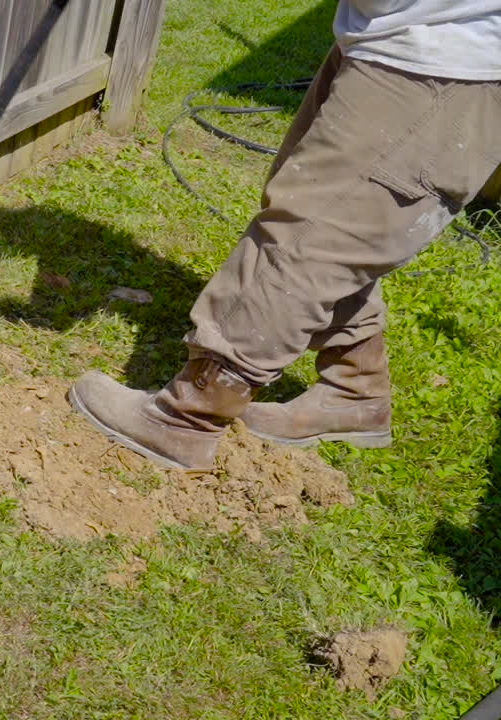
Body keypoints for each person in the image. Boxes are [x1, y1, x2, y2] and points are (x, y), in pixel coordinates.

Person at [70, 0, 501, 470]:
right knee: (336, 217)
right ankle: (353, 388)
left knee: (312, 234)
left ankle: (187, 416)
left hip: (449, 61)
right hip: (398, 37)